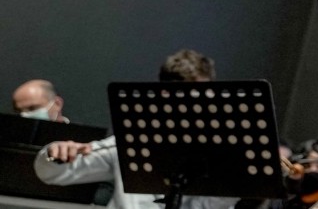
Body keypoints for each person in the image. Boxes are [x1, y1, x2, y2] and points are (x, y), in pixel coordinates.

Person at [34, 49, 233, 209]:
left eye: (199, 96)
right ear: (163, 95)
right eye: (182, 96)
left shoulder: (223, 149)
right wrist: (54, 154)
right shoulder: (134, 141)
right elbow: (51, 174)